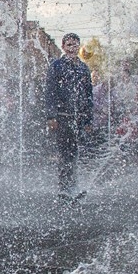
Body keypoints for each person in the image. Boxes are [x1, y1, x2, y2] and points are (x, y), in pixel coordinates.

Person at [44, 32, 93, 199]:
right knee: (65, 152)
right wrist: (51, 116)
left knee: (74, 152)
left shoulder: (83, 68)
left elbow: (88, 95)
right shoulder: (56, 66)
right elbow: (50, 92)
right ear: (64, 47)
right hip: (62, 116)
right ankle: (64, 187)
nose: (73, 48)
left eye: (75, 45)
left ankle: (73, 186)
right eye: (69, 45)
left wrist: (88, 119)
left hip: (77, 117)